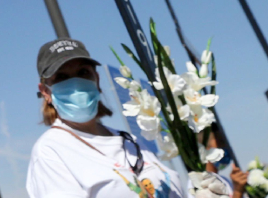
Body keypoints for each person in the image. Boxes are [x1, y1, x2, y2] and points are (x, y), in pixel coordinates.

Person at [25, 38, 191, 198]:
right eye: (61, 77)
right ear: (46, 91)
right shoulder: (50, 151)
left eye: (83, 72)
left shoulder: (129, 141)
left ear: (96, 80)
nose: (76, 83)